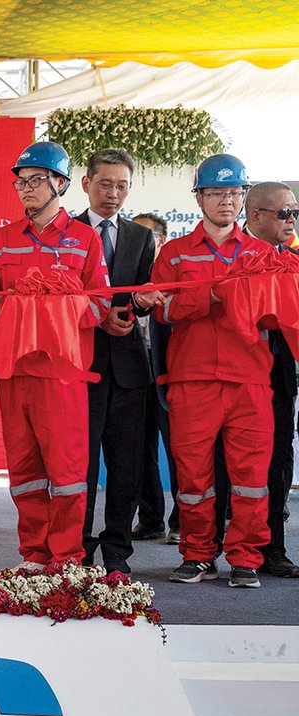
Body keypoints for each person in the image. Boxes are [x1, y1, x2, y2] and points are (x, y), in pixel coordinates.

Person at [0, 141, 111, 570]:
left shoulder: (84, 239)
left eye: (37, 180)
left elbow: (100, 307)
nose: (27, 189)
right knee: (24, 473)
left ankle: (68, 557)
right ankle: (34, 556)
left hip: (63, 377)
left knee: (68, 473)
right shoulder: (0, 242)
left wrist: (61, 303)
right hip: (16, 376)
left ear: (61, 183)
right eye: (22, 182)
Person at [153, 154, 274, 589]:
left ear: (244, 198)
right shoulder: (174, 253)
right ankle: (198, 553)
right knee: (193, 477)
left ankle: (245, 557)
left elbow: (276, 314)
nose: (226, 201)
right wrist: (214, 297)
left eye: (234, 193)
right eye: (217, 192)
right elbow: (161, 310)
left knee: (251, 478)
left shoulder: (263, 255)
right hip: (192, 379)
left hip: (250, 381)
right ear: (199, 197)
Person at [76, 149, 161, 576]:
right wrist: (98, 316)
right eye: (105, 184)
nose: (113, 193)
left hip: (128, 366)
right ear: (86, 183)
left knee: (125, 466)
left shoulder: (140, 237)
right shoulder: (66, 232)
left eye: (122, 186)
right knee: (81, 466)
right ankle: (78, 549)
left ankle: (117, 551)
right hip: (81, 362)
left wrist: (140, 305)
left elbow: (144, 295)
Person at [242, 181, 299, 578]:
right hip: (235, 372)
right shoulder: (232, 254)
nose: (292, 220)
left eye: (295, 212)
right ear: (256, 215)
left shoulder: (295, 258)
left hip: (280, 372)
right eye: (284, 213)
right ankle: (218, 546)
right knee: (228, 464)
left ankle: (273, 547)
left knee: (280, 455)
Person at [130, 212, 180, 544]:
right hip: (132, 373)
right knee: (138, 449)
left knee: (179, 451)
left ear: (160, 241)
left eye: (145, 238)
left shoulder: (176, 273)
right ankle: (150, 518)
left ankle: (181, 521)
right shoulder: (126, 273)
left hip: (169, 374)